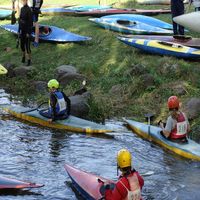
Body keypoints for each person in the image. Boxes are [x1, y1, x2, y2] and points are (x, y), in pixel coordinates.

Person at [18, 0, 33, 66]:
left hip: (27, 30)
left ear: (26, 1)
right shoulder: (22, 9)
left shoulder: (29, 9)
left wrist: (28, 32)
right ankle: (23, 57)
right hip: (22, 30)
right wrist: (19, 30)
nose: (23, 2)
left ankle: (29, 60)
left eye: (24, 0)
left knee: (27, 46)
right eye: (22, 1)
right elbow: (20, 20)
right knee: (22, 46)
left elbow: (30, 22)